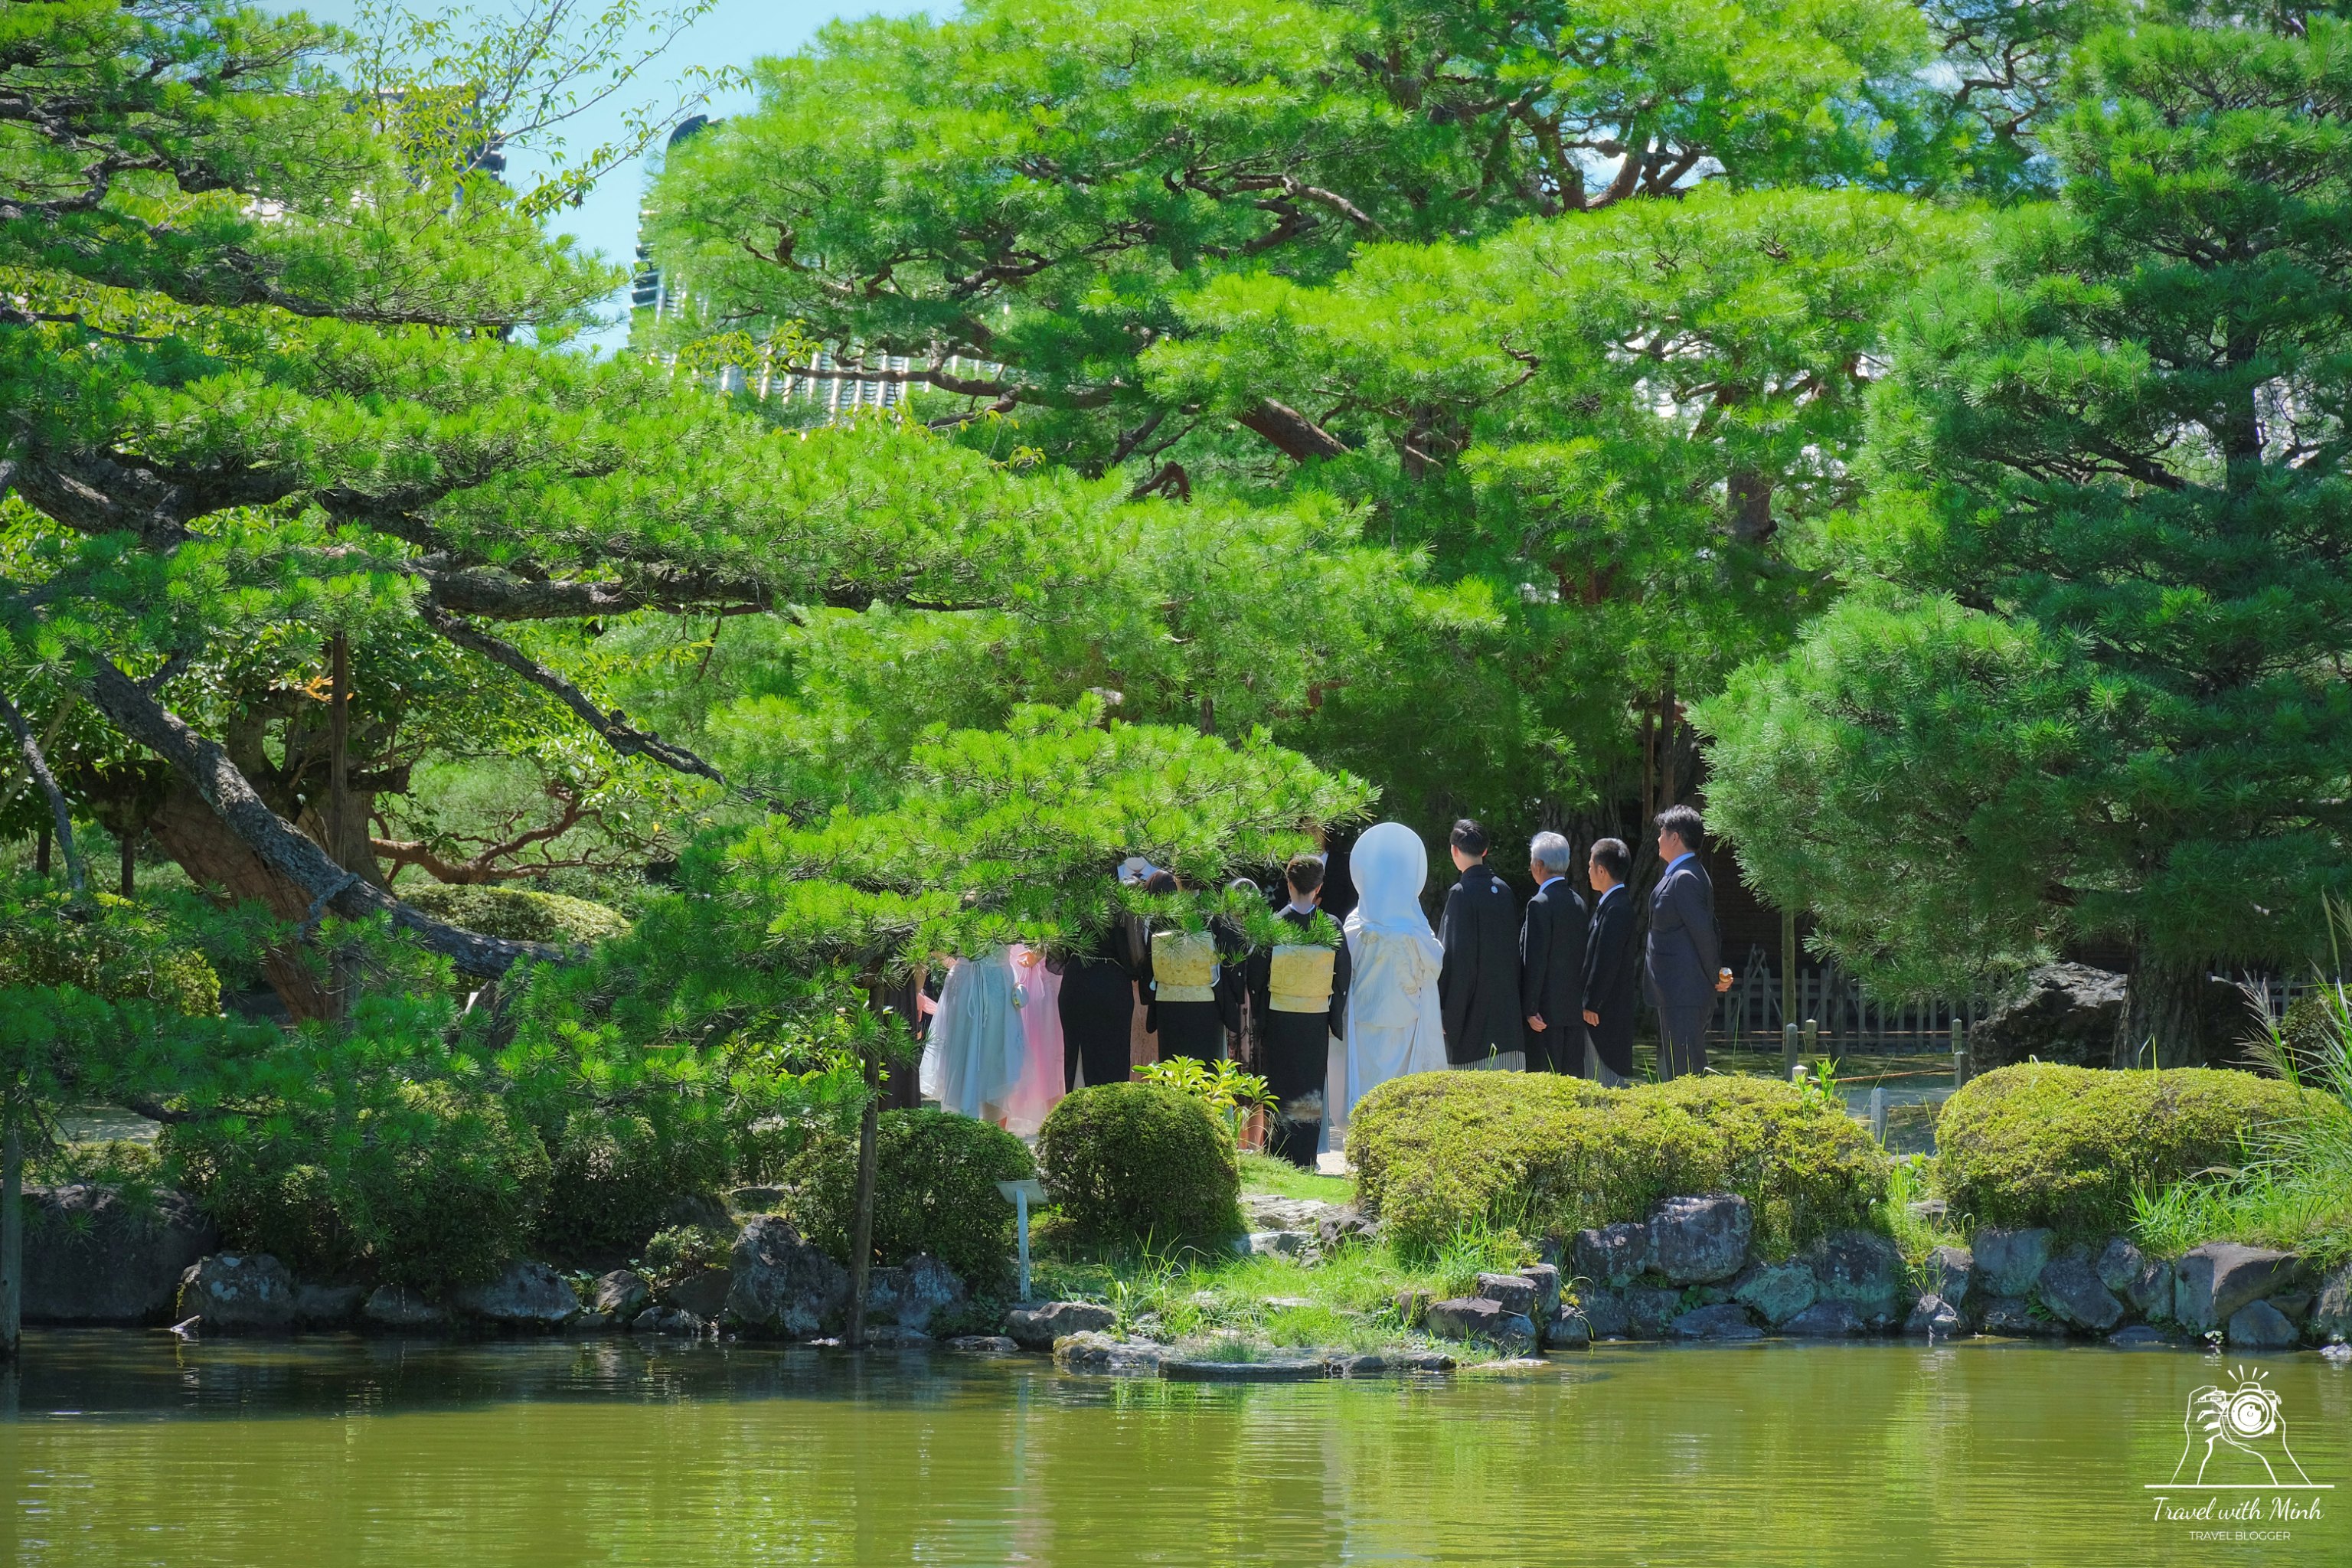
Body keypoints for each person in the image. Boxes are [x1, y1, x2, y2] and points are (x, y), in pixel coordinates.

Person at [1326, 821, 1447, 1150]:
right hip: (1403, 1014)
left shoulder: (1359, 918)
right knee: (1400, 1082)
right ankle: (1395, 1140)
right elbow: (1435, 962)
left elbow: (1343, 961)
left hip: (1367, 1013)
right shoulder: (1413, 919)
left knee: (1367, 1080)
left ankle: (1368, 1141)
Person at [1245, 853, 1351, 1168]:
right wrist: (1334, 1014)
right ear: (1319, 887)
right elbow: (1343, 975)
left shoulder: (1274, 925)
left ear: (1288, 884)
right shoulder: (1330, 925)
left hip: (1280, 1016)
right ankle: (1305, 1156)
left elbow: (1255, 976)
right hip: (1315, 1017)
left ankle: (1280, 1153)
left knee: (1281, 1083)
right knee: (1308, 1085)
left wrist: (1261, 1014)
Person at [1645, 804, 1730, 1080]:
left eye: (1662, 832)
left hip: (1684, 992)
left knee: (1685, 1074)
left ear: (1675, 837)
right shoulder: (1682, 874)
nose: (1658, 838)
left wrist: (1716, 974)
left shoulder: (1685, 877)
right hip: (1674, 992)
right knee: (1674, 1070)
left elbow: (1704, 933)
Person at [1436, 818, 1524, 1070]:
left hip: (1471, 1020)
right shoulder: (1504, 890)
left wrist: (1447, 1013)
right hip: (1507, 1017)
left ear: (1454, 850)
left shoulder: (1461, 893)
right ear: (1485, 851)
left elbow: (1455, 959)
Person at [1143, 870, 1239, 1062]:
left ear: (1176, 881)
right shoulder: (1215, 917)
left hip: (1168, 1006)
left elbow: (1149, 964)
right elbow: (1231, 962)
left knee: (1172, 1070)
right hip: (1207, 1004)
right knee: (1206, 1071)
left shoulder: (1161, 917)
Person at [1518, 830, 1589, 1076]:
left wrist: (1530, 1008)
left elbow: (1534, 960)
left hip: (1544, 1014)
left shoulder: (1539, 903)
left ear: (1539, 865)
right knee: (1572, 1084)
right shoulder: (1579, 902)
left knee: (1545, 1086)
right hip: (1572, 1010)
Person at [1579, 837, 1638, 1086]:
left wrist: (1592, 1003)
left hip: (1605, 1013)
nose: (1589, 871)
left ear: (1602, 870)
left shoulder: (1617, 908)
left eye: (1591, 865)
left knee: (1605, 1083)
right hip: (1604, 1010)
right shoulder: (1611, 905)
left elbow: (1607, 959)